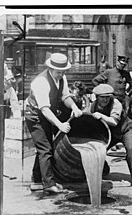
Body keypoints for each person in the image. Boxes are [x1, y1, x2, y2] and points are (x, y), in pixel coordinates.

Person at [25, 53, 82, 193]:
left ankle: (37, 180)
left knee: (45, 147)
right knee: (45, 148)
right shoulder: (41, 82)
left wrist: (74, 107)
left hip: (45, 113)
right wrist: (60, 125)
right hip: (34, 115)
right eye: (58, 72)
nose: (60, 75)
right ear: (50, 68)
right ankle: (49, 184)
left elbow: (65, 96)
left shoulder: (62, 78)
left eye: (63, 72)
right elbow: (44, 109)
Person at [90, 84, 132, 191]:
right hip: (111, 134)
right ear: (97, 97)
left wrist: (102, 116)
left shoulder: (116, 103)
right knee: (97, 150)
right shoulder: (93, 106)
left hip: (125, 130)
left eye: (107, 97)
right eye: (102, 97)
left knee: (130, 150)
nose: (105, 100)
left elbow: (114, 122)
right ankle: (104, 169)